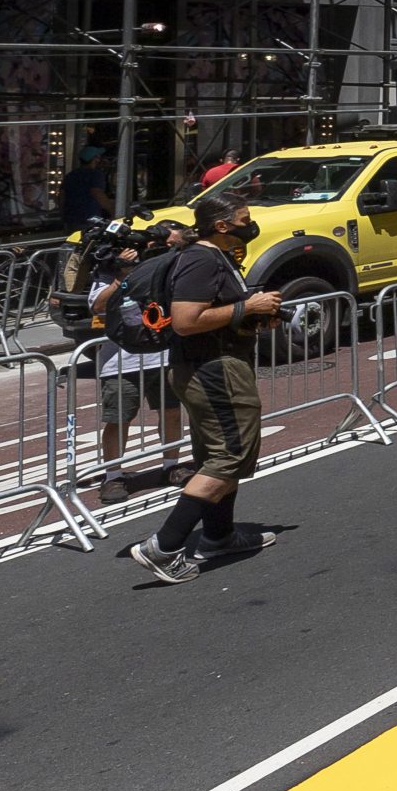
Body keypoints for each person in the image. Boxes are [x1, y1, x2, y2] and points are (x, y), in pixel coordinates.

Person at [128, 193, 282, 584]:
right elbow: (185, 321)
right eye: (244, 219)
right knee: (229, 456)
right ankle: (163, 547)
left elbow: (214, 313)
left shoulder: (216, 256)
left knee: (216, 454)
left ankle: (218, 535)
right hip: (214, 371)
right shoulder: (202, 259)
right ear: (222, 225)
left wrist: (253, 315)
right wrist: (248, 307)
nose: (250, 224)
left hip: (208, 367)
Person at [87, 222, 189, 504]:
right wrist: (122, 276)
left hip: (165, 353)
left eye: (173, 245)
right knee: (119, 419)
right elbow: (97, 306)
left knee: (171, 412)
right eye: (164, 244)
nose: (168, 249)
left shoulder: (174, 266)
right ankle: (113, 476)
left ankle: (172, 466)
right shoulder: (114, 266)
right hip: (123, 360)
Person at [62, 146, 115, 229]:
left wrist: (63, 214)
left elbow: (62, 196)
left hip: (71, 219)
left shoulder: (71, 175)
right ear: (95, 159)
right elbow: (97, 193)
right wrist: (112, 211)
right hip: (90, 218)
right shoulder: (95, 174)